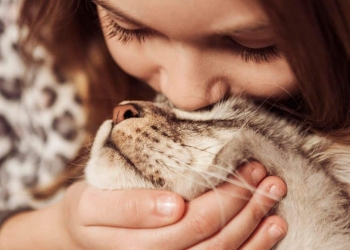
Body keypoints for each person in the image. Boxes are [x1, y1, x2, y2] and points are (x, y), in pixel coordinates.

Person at [0, 0, 349, 249]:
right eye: (128, 28)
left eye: (254, 45)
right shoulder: (22, 46)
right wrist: (59, 233)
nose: (185, 95)